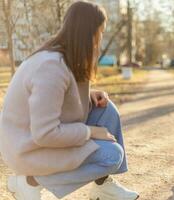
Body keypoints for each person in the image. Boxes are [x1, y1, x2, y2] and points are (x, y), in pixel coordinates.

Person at [0, 1, 139, 199]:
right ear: (88, 33)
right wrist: (91, 131)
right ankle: (29, 181)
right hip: (26, 148)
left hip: (37, 138)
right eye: (100, 32)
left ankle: (103, 186)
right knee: (112, 155)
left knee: (106, 110)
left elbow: (58, 95)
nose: (100, 39)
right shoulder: (50, 66)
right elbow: (45, 133)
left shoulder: (66, 57)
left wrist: (88, 94)